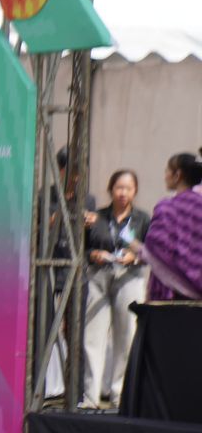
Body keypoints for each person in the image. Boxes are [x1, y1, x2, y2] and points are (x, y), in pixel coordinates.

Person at [82, 170, 150, 408]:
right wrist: (94, 254)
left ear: (135, 191)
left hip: (129, 277)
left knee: (126, 336)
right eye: (119, 187)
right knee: (93, 336)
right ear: (111, 189)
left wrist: (134, 257)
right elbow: (82, 249)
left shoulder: (142, 218)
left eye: (128, 188)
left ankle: (119, 395)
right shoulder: (96, 217)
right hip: (98, 276)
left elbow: (150, 252)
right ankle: (90, 396)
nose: (123, 193)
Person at [137, 149, 202, 301]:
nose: (165, 175)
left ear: (177, 175)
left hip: (169, 295)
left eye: (167, 170)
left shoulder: (167, 207)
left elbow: (156, 249)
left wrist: (137, 247)